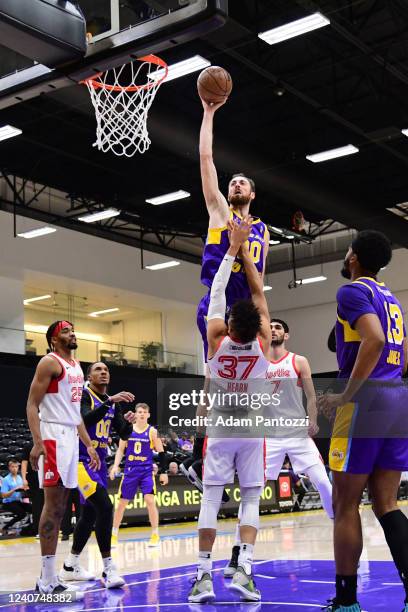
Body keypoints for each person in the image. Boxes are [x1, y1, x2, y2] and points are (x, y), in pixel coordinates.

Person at [319, 230, 408, 612]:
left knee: (345, 503)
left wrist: (345, 396)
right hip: (396, 398)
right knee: (386, 502)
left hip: (365, 402)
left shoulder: (352, 291)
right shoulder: (391, 299)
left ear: (353, 257)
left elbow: (372, 341)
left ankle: (346, 601)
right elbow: (401, 351)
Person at [188, 217, 272, 604]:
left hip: (221, 427)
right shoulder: (263, 347)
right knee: (251, 500)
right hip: (253, 428)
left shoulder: (216, 344)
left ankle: (204, 576)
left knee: (210, 500)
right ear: (258, 329)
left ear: (228, 326)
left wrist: (232, 249)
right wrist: (252, 258)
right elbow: (258, 294)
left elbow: (218, 289)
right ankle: (245, 571)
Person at [224, 318, 334, 576]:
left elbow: (310, 396)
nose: (273, 329)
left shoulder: (299, 361)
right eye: (270, 326)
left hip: (297, 432)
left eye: (278, 327)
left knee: (324, 483)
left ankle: (342, 530)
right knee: (252, 493)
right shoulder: (257, 362)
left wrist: (313, 421)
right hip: (268, 435)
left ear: (286, 335)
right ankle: (237, 554)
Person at [26, 320, 100, 597]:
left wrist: (89, 445)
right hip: (53, 435)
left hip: (70, 434)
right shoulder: (49, 362)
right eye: (66, 331)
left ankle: (50, 577)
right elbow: (32, 405)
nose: (73, 333)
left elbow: (75, 413)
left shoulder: (77, 366)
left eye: (73, 329)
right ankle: (46, 580)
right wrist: (37, 441)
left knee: (62, 507)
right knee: (54, 506)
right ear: (54, 339)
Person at [60, 361, 135, 587]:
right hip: (81, 460)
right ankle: (109, 568)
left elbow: (122, 433)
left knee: (90, 514)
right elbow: (84, 419)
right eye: (98, 370)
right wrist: (109, 401)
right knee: (105, 506)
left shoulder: (113, 404)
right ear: (89, 376)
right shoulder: (83, 395)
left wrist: (128, 424)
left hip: (99, 463)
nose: (103, 373)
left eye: (106, 370)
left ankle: (70, 566)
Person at [110, 403, 168, 547]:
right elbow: (120, 451)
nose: (142, 414)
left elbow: (161, 452)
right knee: (122, 504)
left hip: (146, 472)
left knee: (150, 500)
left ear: (148, 415)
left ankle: (155, 534)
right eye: (139, 412)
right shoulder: (128, 430)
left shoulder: (152, 431)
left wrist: (163, 472)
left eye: (144, 412)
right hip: (130, 471)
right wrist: (115, 466)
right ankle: (114, 534)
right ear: (135, 414)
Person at [1, 459, 31, 535]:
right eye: (12, 467)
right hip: (8, 503)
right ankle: (5, 527)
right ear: (9, 468)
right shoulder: (6, 480)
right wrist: (14, 489)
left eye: (16, 467)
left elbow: (23, 491)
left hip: (18, 501)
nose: (14, 468)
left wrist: (25, 489)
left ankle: (30, 526)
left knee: (33, 508)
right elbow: (3, 495)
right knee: (22, 513)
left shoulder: (20, 478)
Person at [21, 441, 44, 536]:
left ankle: (47, 528)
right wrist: (24, 478)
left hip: (46, 477)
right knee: (37, 505)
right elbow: (24, 463)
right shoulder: (29, 446)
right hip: (34, 480)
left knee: (46, 505)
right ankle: (38, 530)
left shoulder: (46, 444)